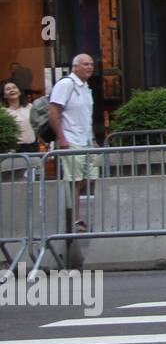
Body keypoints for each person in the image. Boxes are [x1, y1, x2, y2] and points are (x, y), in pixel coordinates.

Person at [47, 54, 98, 233]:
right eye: (85, 64)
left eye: (91, 64)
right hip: (71, 140)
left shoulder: (85, 87)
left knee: (91, 177)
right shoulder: (66, 84)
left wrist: (92, 138)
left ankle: (77, 218)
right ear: (75, 67)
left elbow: (86, 116)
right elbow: (53, 111)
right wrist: (61, 137)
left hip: (85, 140)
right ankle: (75, 220)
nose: (90, 67)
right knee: (75, 181)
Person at [2, 78, 37, 153]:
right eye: (8, 89)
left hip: (32, 148)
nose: (12, 90)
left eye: (14, 88)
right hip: (12, 151)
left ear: (20, 92)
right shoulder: (3, 112)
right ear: (4, 95)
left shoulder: (30, 107)